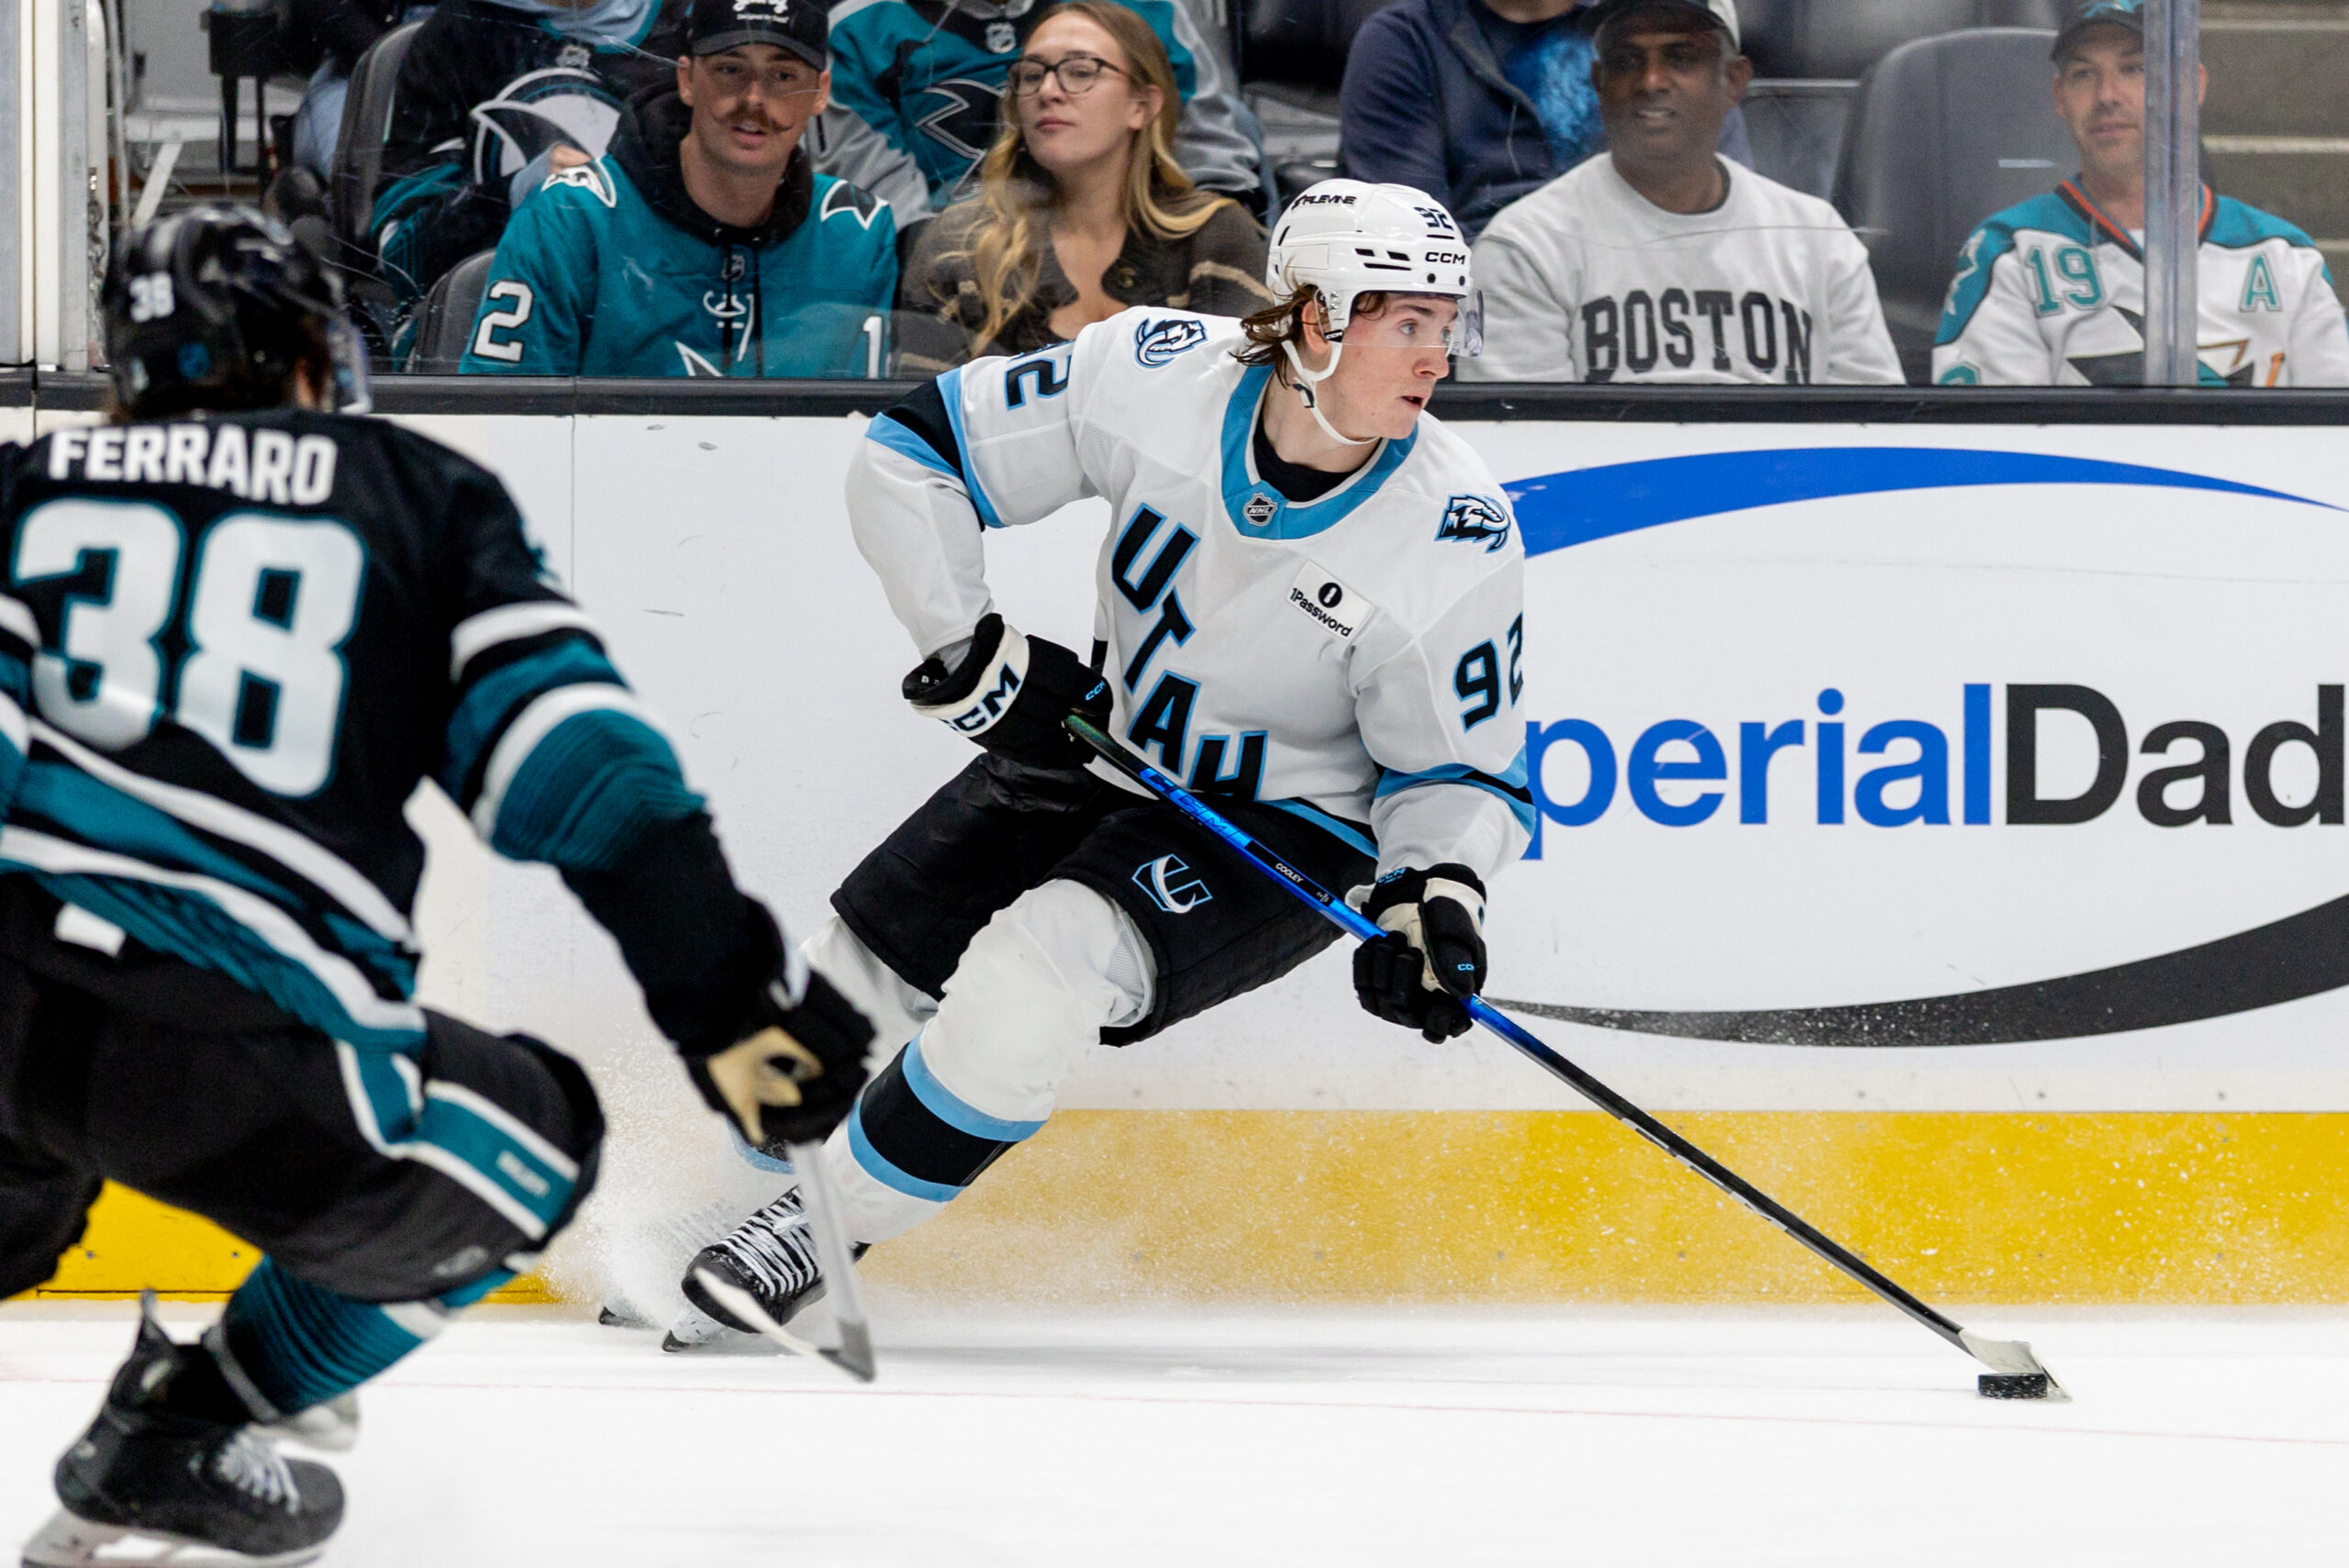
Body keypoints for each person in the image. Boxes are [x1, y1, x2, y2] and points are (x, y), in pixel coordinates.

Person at [2, 207, 871, 1566]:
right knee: (532, 1141)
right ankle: (186, 1428)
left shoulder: (25, 482)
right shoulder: (408, 494)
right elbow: (586, 775)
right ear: (309, 356)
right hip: (227, 1037)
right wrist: (733, 1011)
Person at [660, 179, 1533, 1350]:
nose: (1437, 357)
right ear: (1313, 316)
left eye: (1447, 322)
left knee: (1040, 972)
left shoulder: (1452, 526)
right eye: (1408, 320)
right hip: (1109, 745)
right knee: (840, 982)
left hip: (1287, 824)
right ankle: (726, 1216)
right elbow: (911, 452)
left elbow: (1457, 770)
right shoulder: (1152, 371)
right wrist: (966, 647)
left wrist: (1435, 895)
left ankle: (816, 1233)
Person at [1463, 0, 1899, 384]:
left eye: (1681, 57)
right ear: (1599, 82)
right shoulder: (1524, 246)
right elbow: (1522, 439)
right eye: (1627, 61)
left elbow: (1876, 430)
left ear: (1733, 80)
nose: (1651, 81)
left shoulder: (1818, 239)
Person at [461, 0, 898, 377]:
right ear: (686, 79)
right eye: (730, 69)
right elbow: (502, 425)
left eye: (783, 76)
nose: (754, 100)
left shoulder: (857, 233)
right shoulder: (570, 216)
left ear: (820, 92)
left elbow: (861, 428)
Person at [1934, 0, 2349, 387]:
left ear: (2191, 85)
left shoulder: (2286, 257)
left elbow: (2334, 428)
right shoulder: (2008, 253)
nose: (2106, 96)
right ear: (2060, 98)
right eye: (2083, 75)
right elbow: (1999, 437)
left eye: (2134, 69)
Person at [895, 0, 1271, 374]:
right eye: (1031, 75)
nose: (1048, 91)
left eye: (1080, 72)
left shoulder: (1214, 236)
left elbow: (1251, 396)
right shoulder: (958, 247)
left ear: (1141, 105)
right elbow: (922, 409)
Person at [368, 0, 692, 325]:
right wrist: (519, 193)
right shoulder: (459, 31)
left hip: (657, 317)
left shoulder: (692, 28)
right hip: (487, 319)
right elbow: (402, 257)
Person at [815, 0, 1259, 236]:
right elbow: (886, 214)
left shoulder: (1146, 7)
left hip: (1135, 239)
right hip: (953, 266)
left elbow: (1210, 162)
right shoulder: (859, 28)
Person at [1340, 0, 1753, 243]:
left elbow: (1728, 220)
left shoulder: (1655, 26)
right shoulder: (1404, 41)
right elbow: (1412, 242)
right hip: (1485, 300)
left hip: (1645, 292)